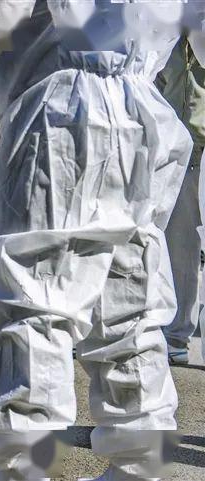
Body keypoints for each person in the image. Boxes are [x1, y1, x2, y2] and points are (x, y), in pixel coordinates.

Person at [0, 2, 205, 480]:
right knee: (132, 301)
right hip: (148, 115)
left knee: (36, 302)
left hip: (58, 111)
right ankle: (141, 466)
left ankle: (24, 468)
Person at [155, 38, 205, 365]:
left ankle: (178, 334)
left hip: (199, 138)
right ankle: (172, 332)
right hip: (172, 140)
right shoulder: (166, 20)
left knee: (187, 239)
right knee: (175, 236)